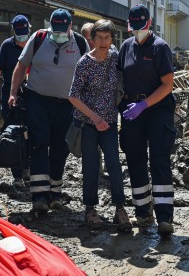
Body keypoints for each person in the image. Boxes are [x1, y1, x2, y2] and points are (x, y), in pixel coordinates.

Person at [9, 8, 89, 214]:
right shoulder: (38, 38)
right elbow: (20, 67)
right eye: (56, 29)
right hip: (38, 101)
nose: (59, 33)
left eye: (63, 29)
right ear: (50, 26)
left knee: (60, 148)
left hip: (67, 105)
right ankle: (39, 196)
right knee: (39, 144)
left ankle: (55, 194)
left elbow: (88, 73)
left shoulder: (80, 43)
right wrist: (13, 93)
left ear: (71, 27)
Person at [118, 4, 176, 238]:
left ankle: (164, 217)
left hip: (157, 109)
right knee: (135, 159)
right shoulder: (126, 46)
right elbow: (119, 76)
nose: (137, 31)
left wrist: (145, 104)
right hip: (132, 110)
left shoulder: (160, 48)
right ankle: (142, 211)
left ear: (149, 24)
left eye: (141, 27)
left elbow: (167, 84)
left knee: (159, 160)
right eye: (134, 27)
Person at [68, 20, 131, 231]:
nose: (103, 42)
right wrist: (95, 118)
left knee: (114, 164)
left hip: (111, 123)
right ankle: (90, 209)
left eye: (107, 37)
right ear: (92, 39)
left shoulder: (115, 59)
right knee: (91, 167)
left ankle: (120, 208)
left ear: (112, 39)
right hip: (88, 124)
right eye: (99, 38)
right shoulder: (84, 63)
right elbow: (73, 96)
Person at [0, 14, 31, 188]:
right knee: (14, 133)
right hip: (10, 96)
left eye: (24, 34)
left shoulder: (34, 42)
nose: (22, 39)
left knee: (31, 132)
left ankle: (28, 168)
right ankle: (17, 175)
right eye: (19, 35)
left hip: (30, 94)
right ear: (14, 32)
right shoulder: (7, 46)